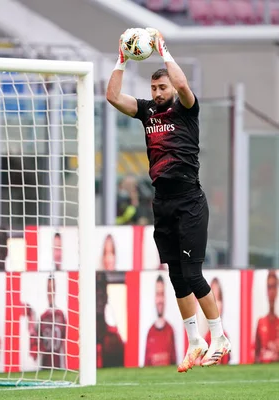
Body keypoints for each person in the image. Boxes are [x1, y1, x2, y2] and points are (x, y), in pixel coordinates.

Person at [106, 27, 230, 371]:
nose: (157, 93)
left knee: (192, 274)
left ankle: (219, 336)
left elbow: (186, 87)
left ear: (173, 87)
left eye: (162, 87)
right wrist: (121, 59)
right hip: (163, 203)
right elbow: (113, 96)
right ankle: (195, 341)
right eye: (154, 88)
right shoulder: (147, 112)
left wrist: (163, 51)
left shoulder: (187, 110)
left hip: (190, 199)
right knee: (176, 276)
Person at [254, 271, 279, 363]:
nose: (272, 291)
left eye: (274, 287)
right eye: (269, 287)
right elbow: (256, 354)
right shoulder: (260, 322)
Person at [144, 275, 176, 366]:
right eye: (158, 294)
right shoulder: (150, 332)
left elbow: (174, 362)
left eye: (162, 294)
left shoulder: (170, 330)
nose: (160, 300)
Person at [95, 273, 124, 368]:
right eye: (96, 293)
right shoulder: (84, 333)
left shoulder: (113, 338)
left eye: (101, 294)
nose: (99, 299)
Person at [38, 275, 67, 369]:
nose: (51, 292)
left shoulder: (60, 315)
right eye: (49, 288)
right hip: (44, 364)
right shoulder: (42, 316)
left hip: (58, 363)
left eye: (53, 288)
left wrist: (65, 365)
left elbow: (64, 342)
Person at [203, 278, 230, 365]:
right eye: (212, 300)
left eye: (217, 299)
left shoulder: (225, 338)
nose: (214, 305)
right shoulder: (205, 339)